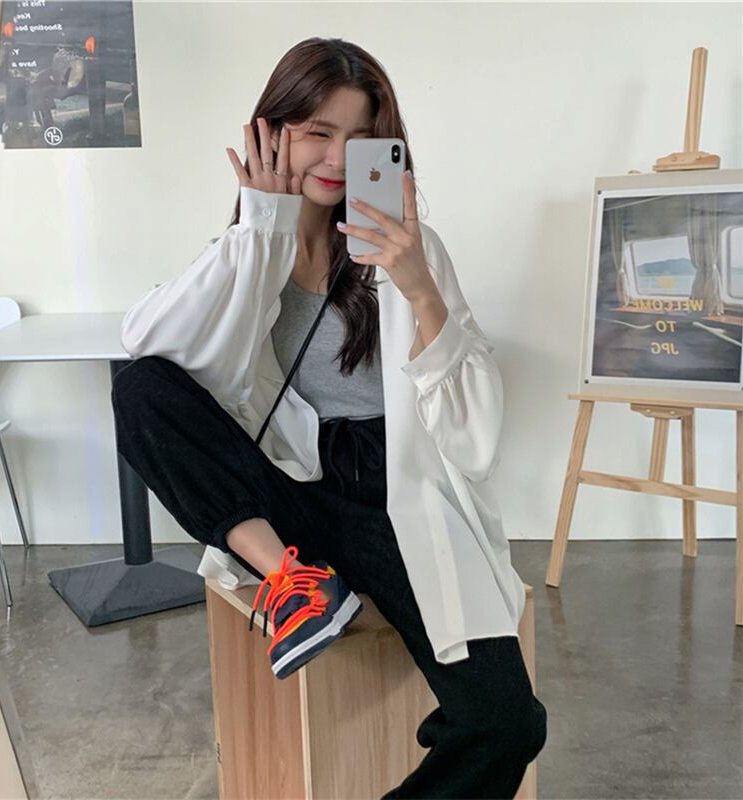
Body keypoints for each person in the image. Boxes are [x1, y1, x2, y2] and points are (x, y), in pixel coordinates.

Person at [112, 36, 547, 799]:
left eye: (362, 137)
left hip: (397, 496)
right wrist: (262, 226)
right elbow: (149, 346)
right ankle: (294, 585)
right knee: (139, 388)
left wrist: (418, 286)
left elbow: (475, 434)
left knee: (506, 722)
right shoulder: (251, 247)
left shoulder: (411, 248)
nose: (340, 159)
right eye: (319, 131)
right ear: (272, 132)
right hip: (290, 494)